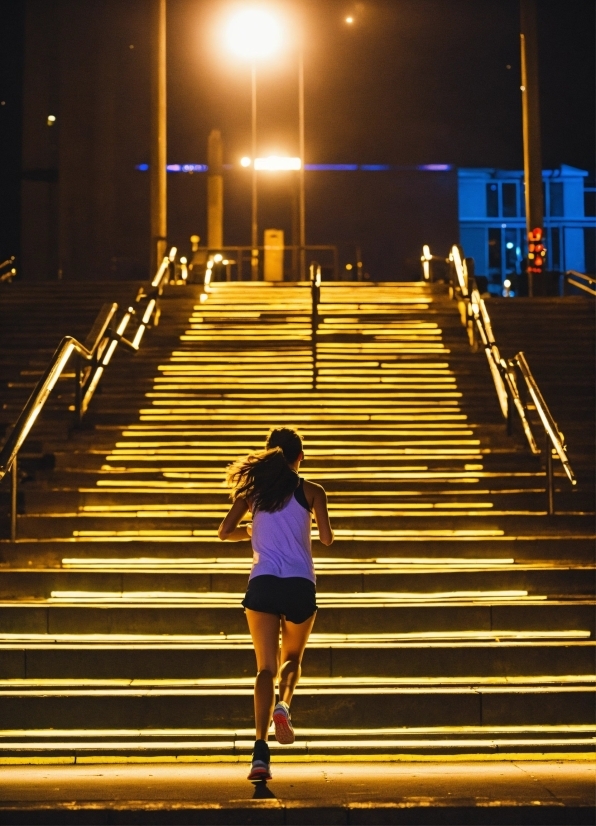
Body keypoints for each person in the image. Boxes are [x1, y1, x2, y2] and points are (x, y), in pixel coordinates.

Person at [218, 426, 334, 781]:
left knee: (263, 668)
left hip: (263, 583)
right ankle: (284, 705)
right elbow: (327, 539)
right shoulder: (312, 491)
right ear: (300, 457)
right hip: (300, 584)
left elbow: (224, 531)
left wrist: (251, 532)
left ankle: (259, 752)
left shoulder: (254, 493)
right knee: (293, 659)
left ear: (270, 455)